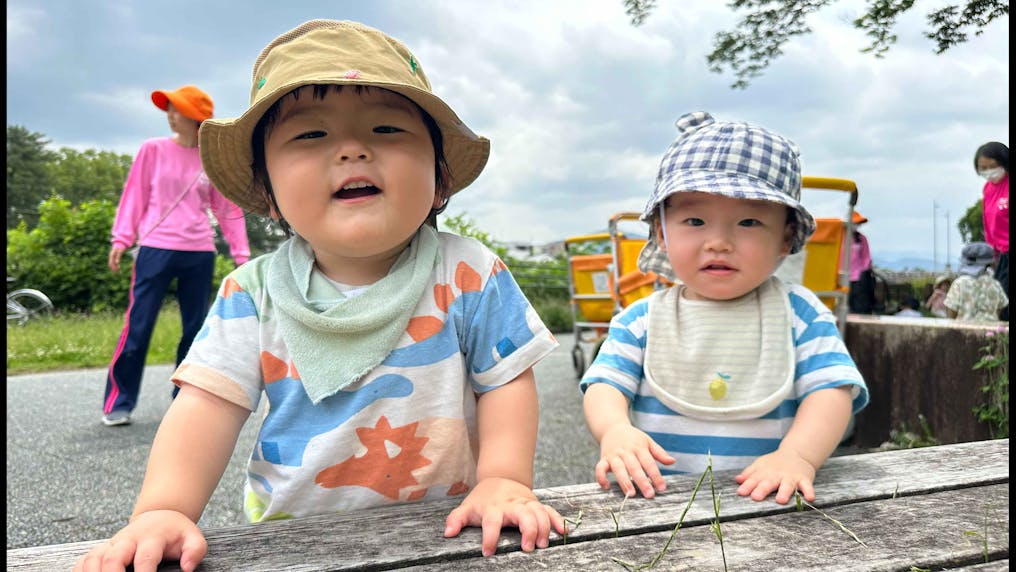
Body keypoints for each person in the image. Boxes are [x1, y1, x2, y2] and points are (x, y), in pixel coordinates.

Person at [74, 20, 564, 572]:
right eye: (311, 135)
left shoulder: (469, 270)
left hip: (449, 535)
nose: (353, 150)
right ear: (268, 194)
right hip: (291, 544)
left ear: (440, 174)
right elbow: (206, 407)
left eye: (386, 129)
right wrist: (163, 509)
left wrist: (503, 478)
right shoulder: (252, 292)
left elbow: (505, 381)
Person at [579, 111, 869, 507]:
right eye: (695, 220)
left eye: (748, 222)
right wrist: (615, 430)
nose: (719, 242)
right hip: (660, 502)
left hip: (766, 502)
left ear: (785, 238)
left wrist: (797, 456)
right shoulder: (642, 320)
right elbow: (604, 385)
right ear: (662, 232)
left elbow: (831, 391)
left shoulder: (800, 314)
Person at [101, 85, 250, 427]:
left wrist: (242, 255)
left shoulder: (209, 160)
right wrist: (121, 239)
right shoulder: (152, 150)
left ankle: (184, 401)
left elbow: (226, 208)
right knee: (137, 328)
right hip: (155, 248)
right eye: (169, 109)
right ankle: (119, 402)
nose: (170, 115)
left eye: (176, 110)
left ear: (196, 119)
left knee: (195, 330)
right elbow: (134, 195)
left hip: (198, 252)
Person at [974, 141, 1009, 321]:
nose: (988, 171)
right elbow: (988, 222)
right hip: (1001, 255)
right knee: (1002, 303)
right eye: (983, 168)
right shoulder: (988, 189)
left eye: (992, 166)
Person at [944, 242, 1009, 322]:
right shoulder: (995, 284)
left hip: (962, 332)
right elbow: (1000, 309)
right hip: (990, 332)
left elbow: (951, 312)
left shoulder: (959, 283)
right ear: (989, 263)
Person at [848, 211, 876, 314]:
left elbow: (866, 257)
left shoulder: (861, 238)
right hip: (842, 277)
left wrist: (863, 272)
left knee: (859, 306)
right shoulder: (840, 237)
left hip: (858, 278)